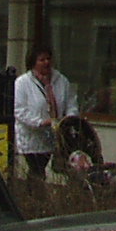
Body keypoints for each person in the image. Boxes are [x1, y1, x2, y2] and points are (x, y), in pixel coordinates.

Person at [12, 46, 77, 181]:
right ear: (33, 63)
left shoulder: (61, 81)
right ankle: (35, 191)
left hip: (57, 135)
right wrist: (40, 122)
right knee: (37, 169)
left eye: (48, 59)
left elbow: (71, 104)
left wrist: (69, 120)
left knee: (64, 167)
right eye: (42, 60)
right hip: (33, 136)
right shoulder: (22, 83)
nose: (46, 62)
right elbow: (20, 111)